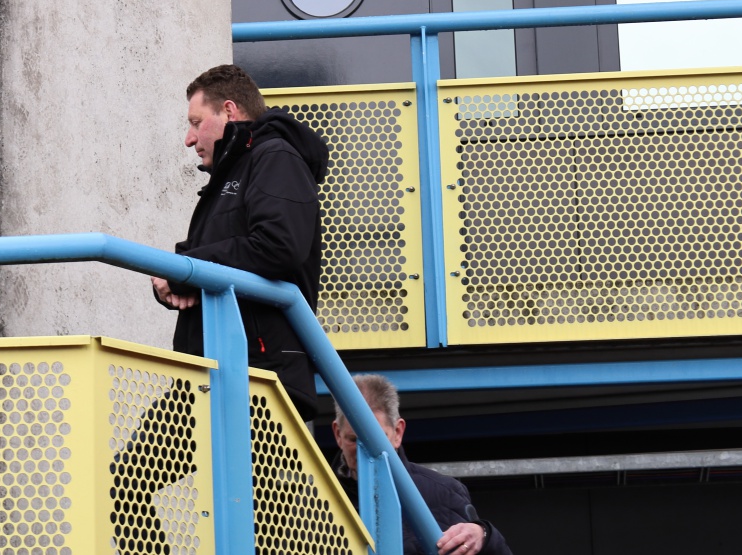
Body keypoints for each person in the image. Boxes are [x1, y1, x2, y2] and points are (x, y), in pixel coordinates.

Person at [151, 63, 327, 418]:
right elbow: (205, 252)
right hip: (214, 374)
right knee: (139, 457)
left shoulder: (274, 157)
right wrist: (173, 281)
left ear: (229, 111)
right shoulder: (230, 177)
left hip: (259, 375)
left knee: (142, 456)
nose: (189, 139)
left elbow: (278, 246)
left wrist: (185, 273)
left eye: (196, 122)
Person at [333, 374, 513, 555]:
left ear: (398, 432)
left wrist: (483, 536)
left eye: (377, 438)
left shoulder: (444, 493)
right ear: (338, 434)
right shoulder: (319, 497)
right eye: (353, 440)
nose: (365, 451)